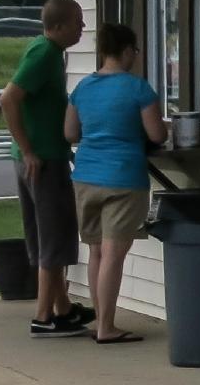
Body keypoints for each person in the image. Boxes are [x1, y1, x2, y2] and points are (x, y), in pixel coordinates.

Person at [65, 22, 165, 345]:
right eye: (135, 51)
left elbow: (70, 133)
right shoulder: (138, 89)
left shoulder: (83, 88)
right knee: (113, 254)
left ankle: (100, 322)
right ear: (125, 52)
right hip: (123, 177)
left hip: (85, 176)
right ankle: (107, 327)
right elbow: (157, 135)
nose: (135, 57)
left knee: (96, 252)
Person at [0, 0, 91, 337]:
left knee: (46, 234)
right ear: (58, 26)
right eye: (77, 22)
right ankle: (43, 316)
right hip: (42, 160)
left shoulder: (48, 52)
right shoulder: (43, 54)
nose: (82, 28)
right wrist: (29, 150)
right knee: (54, 237)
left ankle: (63, 308)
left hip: (44, 155)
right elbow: (8, 98)